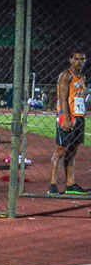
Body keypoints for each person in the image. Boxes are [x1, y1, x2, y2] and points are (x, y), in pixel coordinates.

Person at [49, 51, 88, 195]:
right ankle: (52, 184)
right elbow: (62, 98)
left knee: (73, 151)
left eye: (82, 59)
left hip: (79, 116)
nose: (79, 62)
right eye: (76, 59)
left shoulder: (82, 77)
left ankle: (70, 183)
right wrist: (65, 117)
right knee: (60, 150)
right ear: (70, 60)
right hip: (68, 116)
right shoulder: (66, 75)